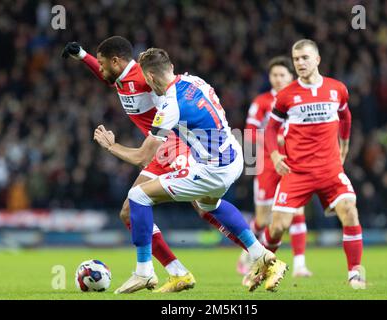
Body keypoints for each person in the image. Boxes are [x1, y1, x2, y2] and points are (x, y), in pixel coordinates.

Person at [93, 48, 288, 293]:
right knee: (209, 206)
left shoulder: (169, 106)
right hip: (233, 156)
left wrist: (111, 146)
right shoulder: (195, 81)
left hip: (211, 170)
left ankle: (143, 271)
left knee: (137, 197)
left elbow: (142, 156)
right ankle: (264, 257)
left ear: (151, 78)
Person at [62, 36, 246, 293]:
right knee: (137, 210)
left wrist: (115, 147)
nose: (101, 70)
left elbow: (169, 92)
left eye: (103, 64)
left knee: (196, 206)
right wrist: (83, 56)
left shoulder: (141, 77)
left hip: (172, 146)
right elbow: (104, 74)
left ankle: (254, 255)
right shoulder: (120, 78)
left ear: (116, 62)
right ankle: (178, 271)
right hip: (164, 150)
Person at [264, 39, 365, 289]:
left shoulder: (337, 89)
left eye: (305, 58)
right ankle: (262, 267)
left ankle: (355, 273)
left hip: (330, 169)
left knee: (350, 210)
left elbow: (345, 116)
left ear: (317, 60)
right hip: (297, 172)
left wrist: (345, 143)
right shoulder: (286, 95)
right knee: (277, 228)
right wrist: (276, 157)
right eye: (296, 59)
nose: (300, 63)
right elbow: (270, 128)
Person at [239, 56, 312, 279]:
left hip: (292, 164)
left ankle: (300, 265)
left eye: (282, 75)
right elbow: (250, 133)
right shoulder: (261, 102)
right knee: (263, 220)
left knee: (297, 211)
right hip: (266, 165)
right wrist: (273, 142)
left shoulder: (300, 100)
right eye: (274, 75)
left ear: (291, 77)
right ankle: (247, 254)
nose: (278, 79)